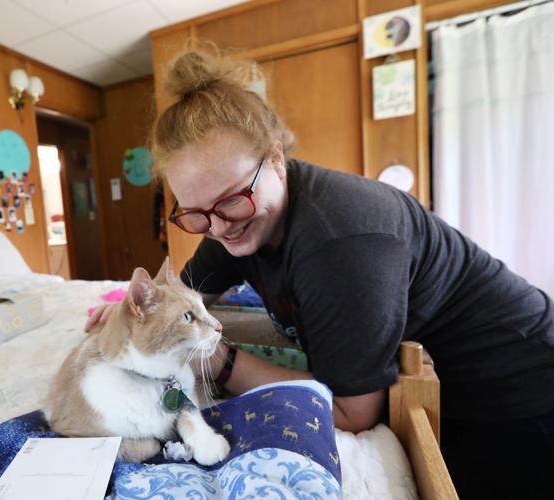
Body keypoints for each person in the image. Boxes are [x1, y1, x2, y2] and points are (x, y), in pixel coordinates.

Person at [86, 48, 554, 498]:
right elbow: (184, 293)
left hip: (517, 379)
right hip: (443, 373)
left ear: (275, 158)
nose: (221, 227)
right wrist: (131, 320)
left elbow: (354, 411)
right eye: (196, 214)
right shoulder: (234, 219)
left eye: (231, 200)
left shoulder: (342, 241)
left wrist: (220, 361)